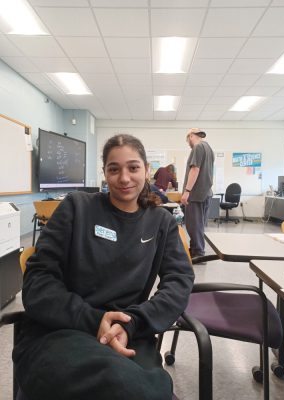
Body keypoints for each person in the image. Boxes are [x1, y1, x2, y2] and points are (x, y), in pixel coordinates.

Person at [13, 134, 194, 400]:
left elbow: (179, 281)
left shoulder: (161, 222)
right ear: (104, 173)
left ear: (146, 169)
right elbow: (38, 281)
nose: (124, 178)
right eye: (114, 169)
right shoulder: (76, 207)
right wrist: (94, 319)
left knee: (134, 388)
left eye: (133, 167)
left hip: (127, 333)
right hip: (61, 330)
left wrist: (134, 322)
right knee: (130, 387)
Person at [181, 128, 214, 261]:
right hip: (206, 193)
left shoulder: (198, 147)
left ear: (191, 136)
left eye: (187, 140)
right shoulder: (209, 148)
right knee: (199, 224)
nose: (188, 143)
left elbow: (195, 169)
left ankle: (198, 253)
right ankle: (195, 249)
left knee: (193, 225)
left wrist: (187, 192)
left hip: (196, 194)